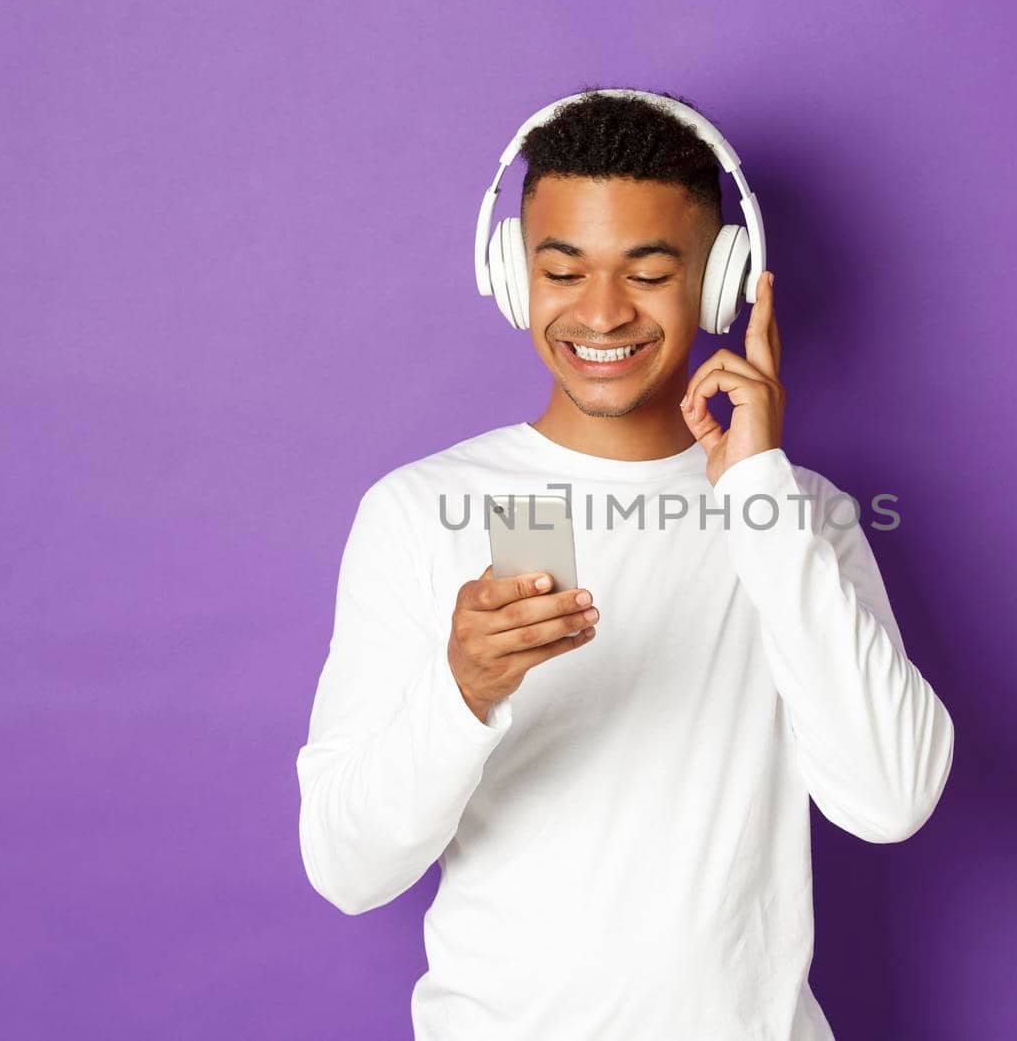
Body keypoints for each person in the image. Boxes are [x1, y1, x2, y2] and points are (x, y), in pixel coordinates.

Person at [295, 86, 955, 1041]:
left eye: (648, 272)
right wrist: (462, 690)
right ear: (513, 276)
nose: (601, 312)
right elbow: (346, 868)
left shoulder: (797, 514)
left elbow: (890, 798)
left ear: (721, 280)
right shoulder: (415, 512)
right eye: (562, 270)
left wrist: (759, 496)